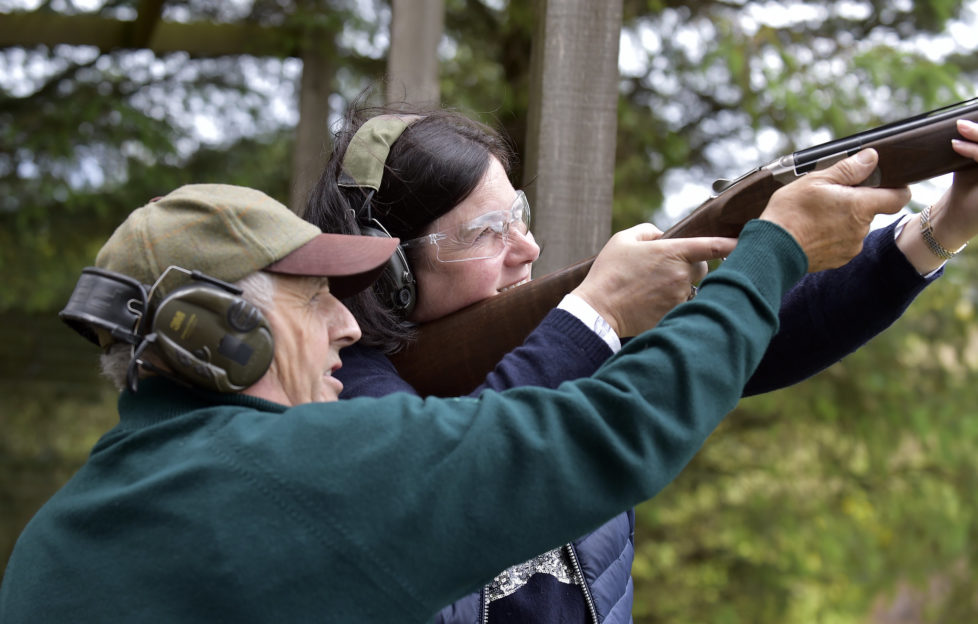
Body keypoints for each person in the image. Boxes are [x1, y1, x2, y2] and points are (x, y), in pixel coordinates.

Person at [0, 167, 907, 622]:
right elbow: (612, 431)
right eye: (316, 300)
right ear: (210, 332)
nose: (348, 325)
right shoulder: (288, 474)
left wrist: (924, 238)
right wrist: (773, 249)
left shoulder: (64, 533)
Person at [303, 108, 978, 623]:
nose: (528, 246)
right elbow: (458, 462)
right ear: (389, 271)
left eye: (520, 215)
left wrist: (941, 226)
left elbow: (749, 343)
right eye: (487, 233)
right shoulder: (330, 398)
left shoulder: (549, 344)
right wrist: (594, 314)